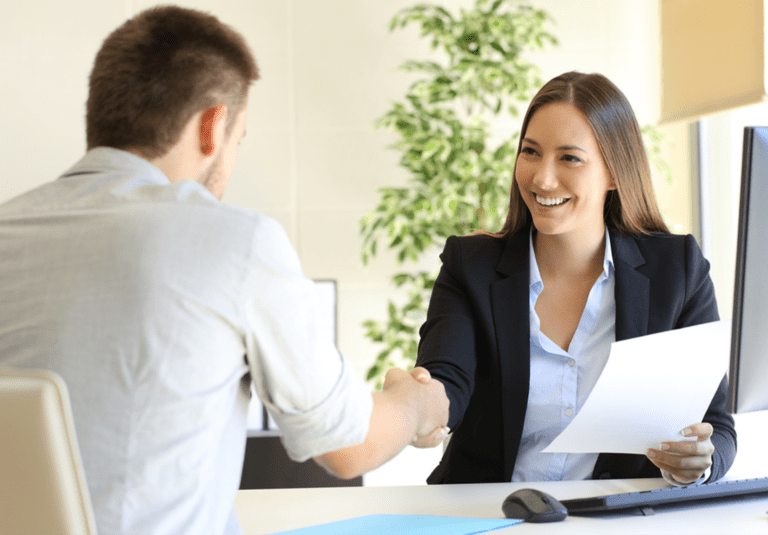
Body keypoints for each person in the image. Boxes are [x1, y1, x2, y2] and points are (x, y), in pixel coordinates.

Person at [0, 6, 448, 535]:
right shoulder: (234, 242)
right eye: (240, 137)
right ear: (213, 125)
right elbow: (347, 447)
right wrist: (417, 403)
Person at [416, 71, 736, 486]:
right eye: (531, 152)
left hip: (618, 519)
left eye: (569, 158)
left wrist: (701, 462)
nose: (542, 178)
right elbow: (446, 380)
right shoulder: (470, 265)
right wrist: (421, 410)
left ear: (616, 173)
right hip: (490, 514)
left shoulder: (677, 271)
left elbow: (716, 424)